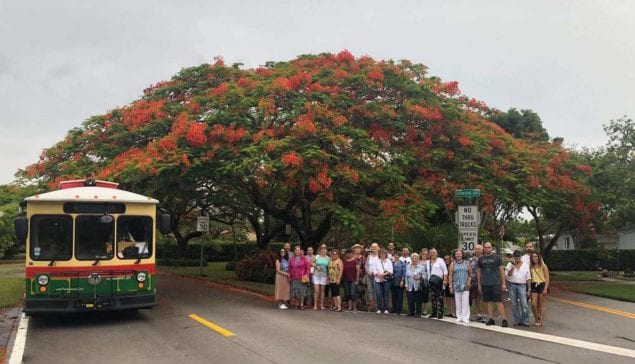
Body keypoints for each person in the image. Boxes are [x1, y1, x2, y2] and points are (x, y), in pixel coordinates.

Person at [477, 242, 508, 327]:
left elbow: (501, 270)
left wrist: (504, 283)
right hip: (485, 283)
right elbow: (479, 271)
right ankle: (491, 319)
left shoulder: (497, 257)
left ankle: (504, 319)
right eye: (486, 247)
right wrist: (479, 284)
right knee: (489, 301)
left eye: (489, 247)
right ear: (484, 248)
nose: (487, 249)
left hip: (496, 283)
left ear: (492, 248)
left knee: (498, 301)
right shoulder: (480, 259)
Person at [505, 250, 531, 327]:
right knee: (514, 304)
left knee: (524, 303)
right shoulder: (510, 264)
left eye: (518, 256)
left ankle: (525, 320)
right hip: (512, 285)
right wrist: (513, 268)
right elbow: (507, 275)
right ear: (513, 256)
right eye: (515, 256)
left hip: (522, 285)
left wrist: (529, 289)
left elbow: (528, 277)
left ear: (520, 256)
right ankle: (517, 320)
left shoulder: (525, 265)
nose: (517, 257)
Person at [449, 249, 472, 325]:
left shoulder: (466, 263)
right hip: (456, 285)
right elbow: (450, 275)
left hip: (465, 285)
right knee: (458, 302)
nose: (458, 255)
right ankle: (459, 317)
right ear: (454, 255)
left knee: (465, 302)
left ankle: (466, 318)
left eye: (459, 254)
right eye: (456, 254)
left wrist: (469, 281)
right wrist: (450, 286)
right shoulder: (453, 264)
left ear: (462, 255)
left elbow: (470, 274)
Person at [369, 248, 393, 314]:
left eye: (384, 254)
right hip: (377, 280)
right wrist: (378, 275)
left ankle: (386, 309)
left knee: (386, 294)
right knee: (378, 294)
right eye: (381, 254)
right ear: (379, 254)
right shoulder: (377, 261)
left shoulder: (389, 261)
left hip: (386, 280)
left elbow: (391, 270)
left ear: (386, 254)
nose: (382, 255)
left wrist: (383, 274)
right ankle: (379, 308)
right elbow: (374, 270)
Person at [426, 248, 448, 319]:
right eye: (431, 253)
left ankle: (440, 313)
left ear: (437, 253)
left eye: (434, 252)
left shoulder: (440, 260)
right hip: (431, 282)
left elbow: (445, 271)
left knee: (439, 297)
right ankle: (434, 312)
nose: (432, 254)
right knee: (432, 297)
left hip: (439, 282)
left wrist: (445, 280)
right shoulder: (428, 262)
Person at [530, 251, 550, 327]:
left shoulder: (543, 266)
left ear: (538, 257)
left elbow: (547, 278)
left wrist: (546, 288)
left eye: (536, 256)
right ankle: (536, 319)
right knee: (533, 304)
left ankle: (541, 320)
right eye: (533, 257)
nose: (534, 258)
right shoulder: (531, 266)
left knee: (541, 304)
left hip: (542, 284)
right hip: (534, 284)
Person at [288, 245, 311, 309]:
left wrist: (306, 275)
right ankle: (296, 304)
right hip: (294, 278)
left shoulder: (304, 259)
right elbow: (289, 268)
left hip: (302, 278)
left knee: (302, 291)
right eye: (296, 250)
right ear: (294, 251)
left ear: (300, 251)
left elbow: (308, 268)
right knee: (295, 291)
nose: (297, 251)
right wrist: (290, 276)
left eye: (298, 250)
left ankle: (301, 304)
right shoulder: (292, 259)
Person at [469, 244, 485, 322]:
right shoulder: (470, 260)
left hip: (485, 282)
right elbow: (468, 271)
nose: (477, 250)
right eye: (476, 249)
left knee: (484, 299)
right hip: (474, 282)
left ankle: (484, 314)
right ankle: (477, 314)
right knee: (475, 298)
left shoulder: (485, 259)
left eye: (479, 249)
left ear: (482, 250)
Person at [312, 244, 330, 310]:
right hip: (316, 275)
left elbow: (328, 268)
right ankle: (315, 304)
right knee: (316, 290)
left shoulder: (328, 258)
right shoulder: (317, 256)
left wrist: (328, 277)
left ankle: (322, 305)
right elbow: (311, 263)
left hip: (324, 275)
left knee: (322, 291)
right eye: (322, 249)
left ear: (326, 250)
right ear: (320, 250)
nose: (323, 250)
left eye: (325, 249)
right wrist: (316, 266)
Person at [365, 243, 380, 311]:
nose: (374, 248)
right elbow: (366, 265)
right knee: (370, 290)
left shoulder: (379, 256)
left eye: (375, 247)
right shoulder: (369, 256)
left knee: (376, 290)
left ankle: (377, 305)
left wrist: (375, 273)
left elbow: (381, 266)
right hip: (369, 276)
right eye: (372, 247)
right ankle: (371, 305)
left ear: (378, 248)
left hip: (377, 276)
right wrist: (368, 273)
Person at [420, 248, 431, 315]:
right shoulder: (418, 261)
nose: (425, 255)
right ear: (421, 254)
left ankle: (425, 310)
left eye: (426, 254)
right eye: (423, 254)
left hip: (427, 281)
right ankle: (419, 309)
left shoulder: (429, 262)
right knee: (419, 295)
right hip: (419, 280)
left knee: (426, 295)